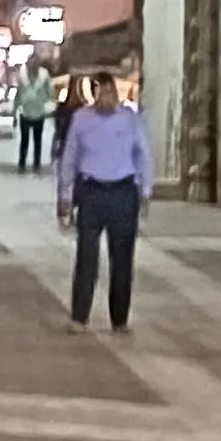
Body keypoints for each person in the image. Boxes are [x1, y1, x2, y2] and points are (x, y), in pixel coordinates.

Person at [56, 68, 151, 330]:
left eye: (111, 91)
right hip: (92, 192)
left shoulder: (129, 119)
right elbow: (70, 158)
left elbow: (142, 154)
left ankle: (119, 319)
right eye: (102, 92)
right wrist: (65, 195)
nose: (107, 97)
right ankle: (79, 317)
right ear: (94, 93)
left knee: (122, 259)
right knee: (86, 256)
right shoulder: (82, 120)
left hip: (123, 192)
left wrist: (145, 191)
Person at [13, 54, 57, 171]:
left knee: (37, 141)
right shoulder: (22, 76)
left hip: (39, 112)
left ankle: (36, 164)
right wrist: (14, 114)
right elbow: (17, 96)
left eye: (35, 63)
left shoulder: (44, 75)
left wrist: (44, 100)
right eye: (31, 63)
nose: (33, 65)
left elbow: (51, 93)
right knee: (25, 140)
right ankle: (22, 164)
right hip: (25, 112)